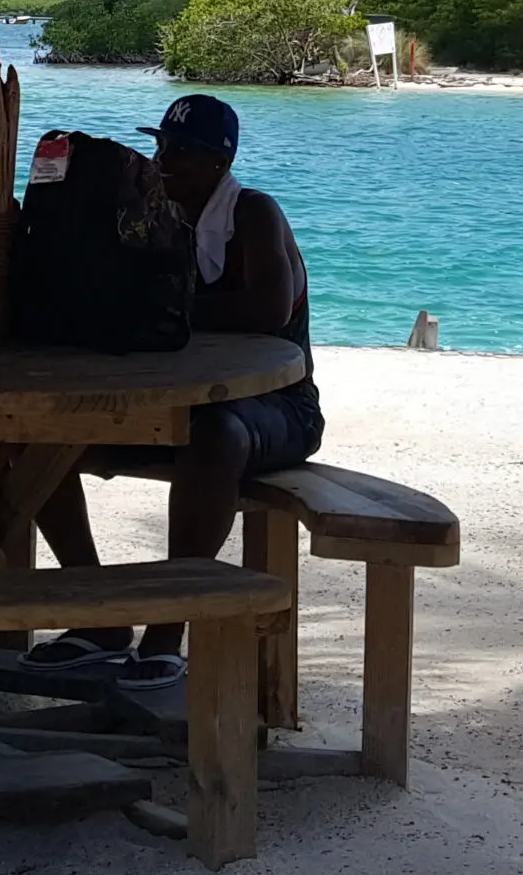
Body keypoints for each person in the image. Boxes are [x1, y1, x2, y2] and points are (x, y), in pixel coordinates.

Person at [26, 93, 320, 686]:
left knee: (213, 437)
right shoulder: (151, 219)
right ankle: (94, 607)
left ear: (220, 161)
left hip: (278, 406)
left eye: (183, 152)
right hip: (177, 404)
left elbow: (265, 309)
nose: (165, 161)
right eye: (161, 146)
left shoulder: (253, 215)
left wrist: (167, 308)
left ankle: (167, 632)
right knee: (38, 439)